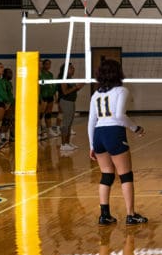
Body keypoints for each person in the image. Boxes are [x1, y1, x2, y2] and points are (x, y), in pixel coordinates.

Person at [87, 59, 148, 226]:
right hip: (113, 132)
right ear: (118, 73)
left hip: (99, 134)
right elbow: (120, 115)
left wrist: (92, 144)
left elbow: (91, 121)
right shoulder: (122, 90)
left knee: (107, 175)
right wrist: (136, 128)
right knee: (125, 175)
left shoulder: (96, 94)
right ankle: (131, 214)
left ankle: (104, 215)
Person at [57, 62, 83, 152]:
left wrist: (80, 86)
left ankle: (67, 143)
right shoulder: (63, 79)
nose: (73, 69)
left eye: (73, 68)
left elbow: (73, 90)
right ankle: (63, 144)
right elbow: (65, 92)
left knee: (69, 123)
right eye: (71, 68)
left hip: (71, 102)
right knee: (65, 124)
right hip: (65, 102)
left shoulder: (70, 78)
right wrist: (76, 87)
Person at [39, 59, 58, 139]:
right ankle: (40, 130)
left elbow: (52, 85)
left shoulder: (50, 74)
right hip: (43, 96)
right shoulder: (40, 74)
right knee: (40, 114)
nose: (48, 66)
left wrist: (55, 95)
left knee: (48, 114)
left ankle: (49, 130)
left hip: (50, 95)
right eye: (46, 64)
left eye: (49, 64)